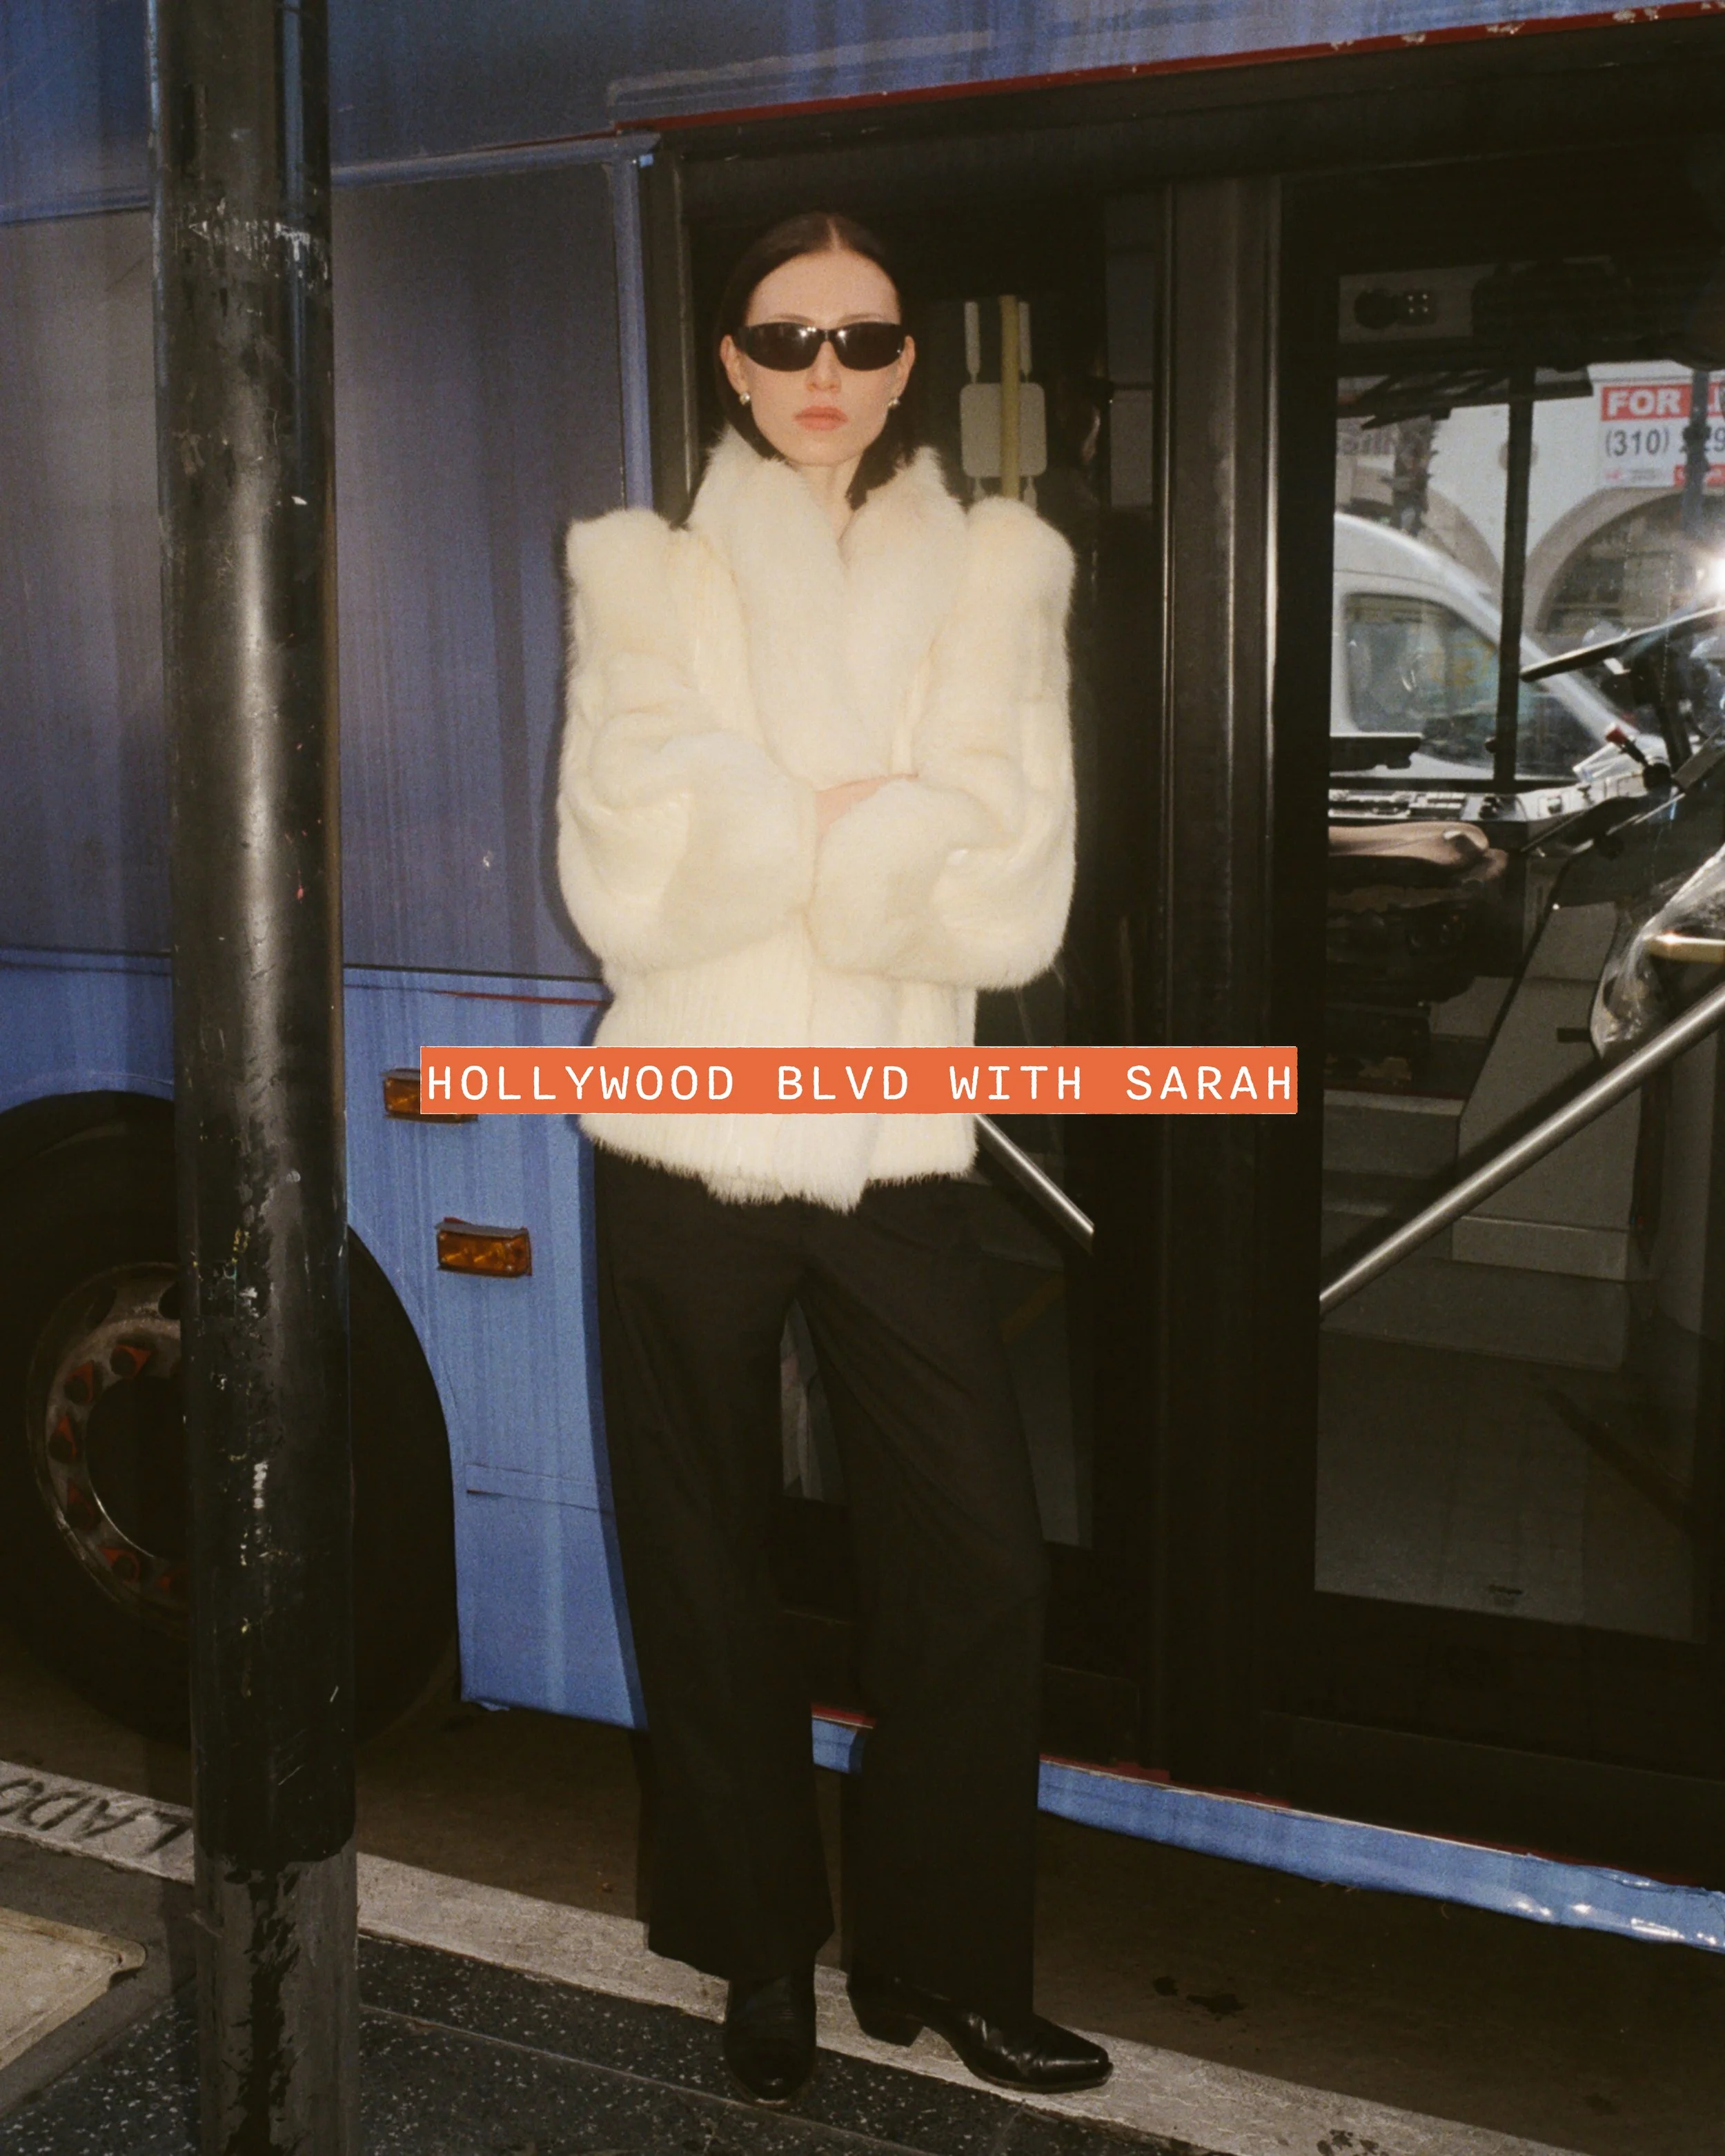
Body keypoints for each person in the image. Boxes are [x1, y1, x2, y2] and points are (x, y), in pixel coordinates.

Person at [556, 210, 1107, 2108]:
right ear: (729, 359)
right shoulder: (641, 575)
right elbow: (621, 877)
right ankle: (761, 1958)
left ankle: (941, 1959)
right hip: (680, 1143)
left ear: (906, 365)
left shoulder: (1000, 574)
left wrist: (789, 822)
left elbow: (1017, 892)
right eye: (785, 337)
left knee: (981, 1563)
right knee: (701, 1563)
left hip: (895, 1152)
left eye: (862, 341)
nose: (824, 372)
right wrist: (879, 821)